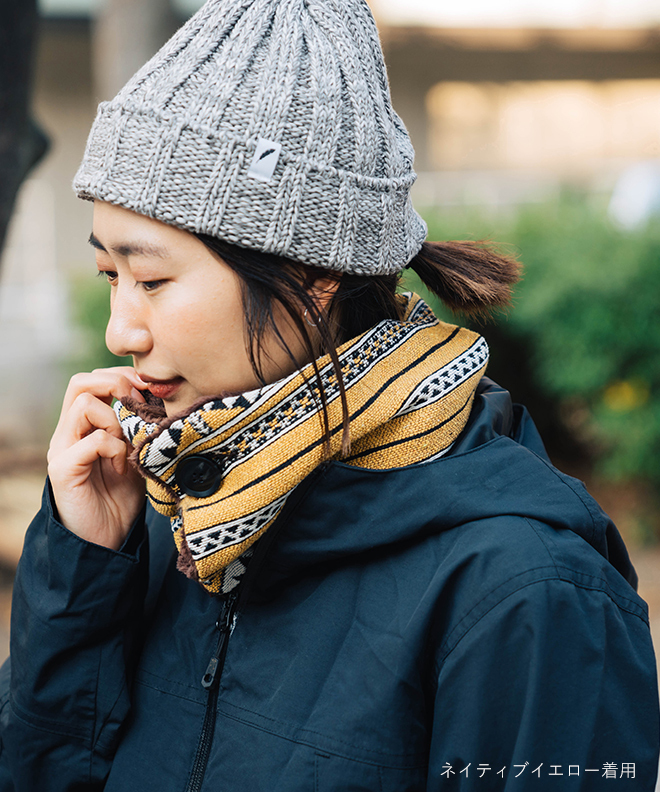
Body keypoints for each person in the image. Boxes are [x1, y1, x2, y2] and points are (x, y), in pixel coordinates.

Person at [1, 0, 658, 789]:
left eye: (151, 279)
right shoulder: (171, 509)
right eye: (110, 276)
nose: (120, 333)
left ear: (313, 279)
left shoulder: (525, 593)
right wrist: (83, 571)